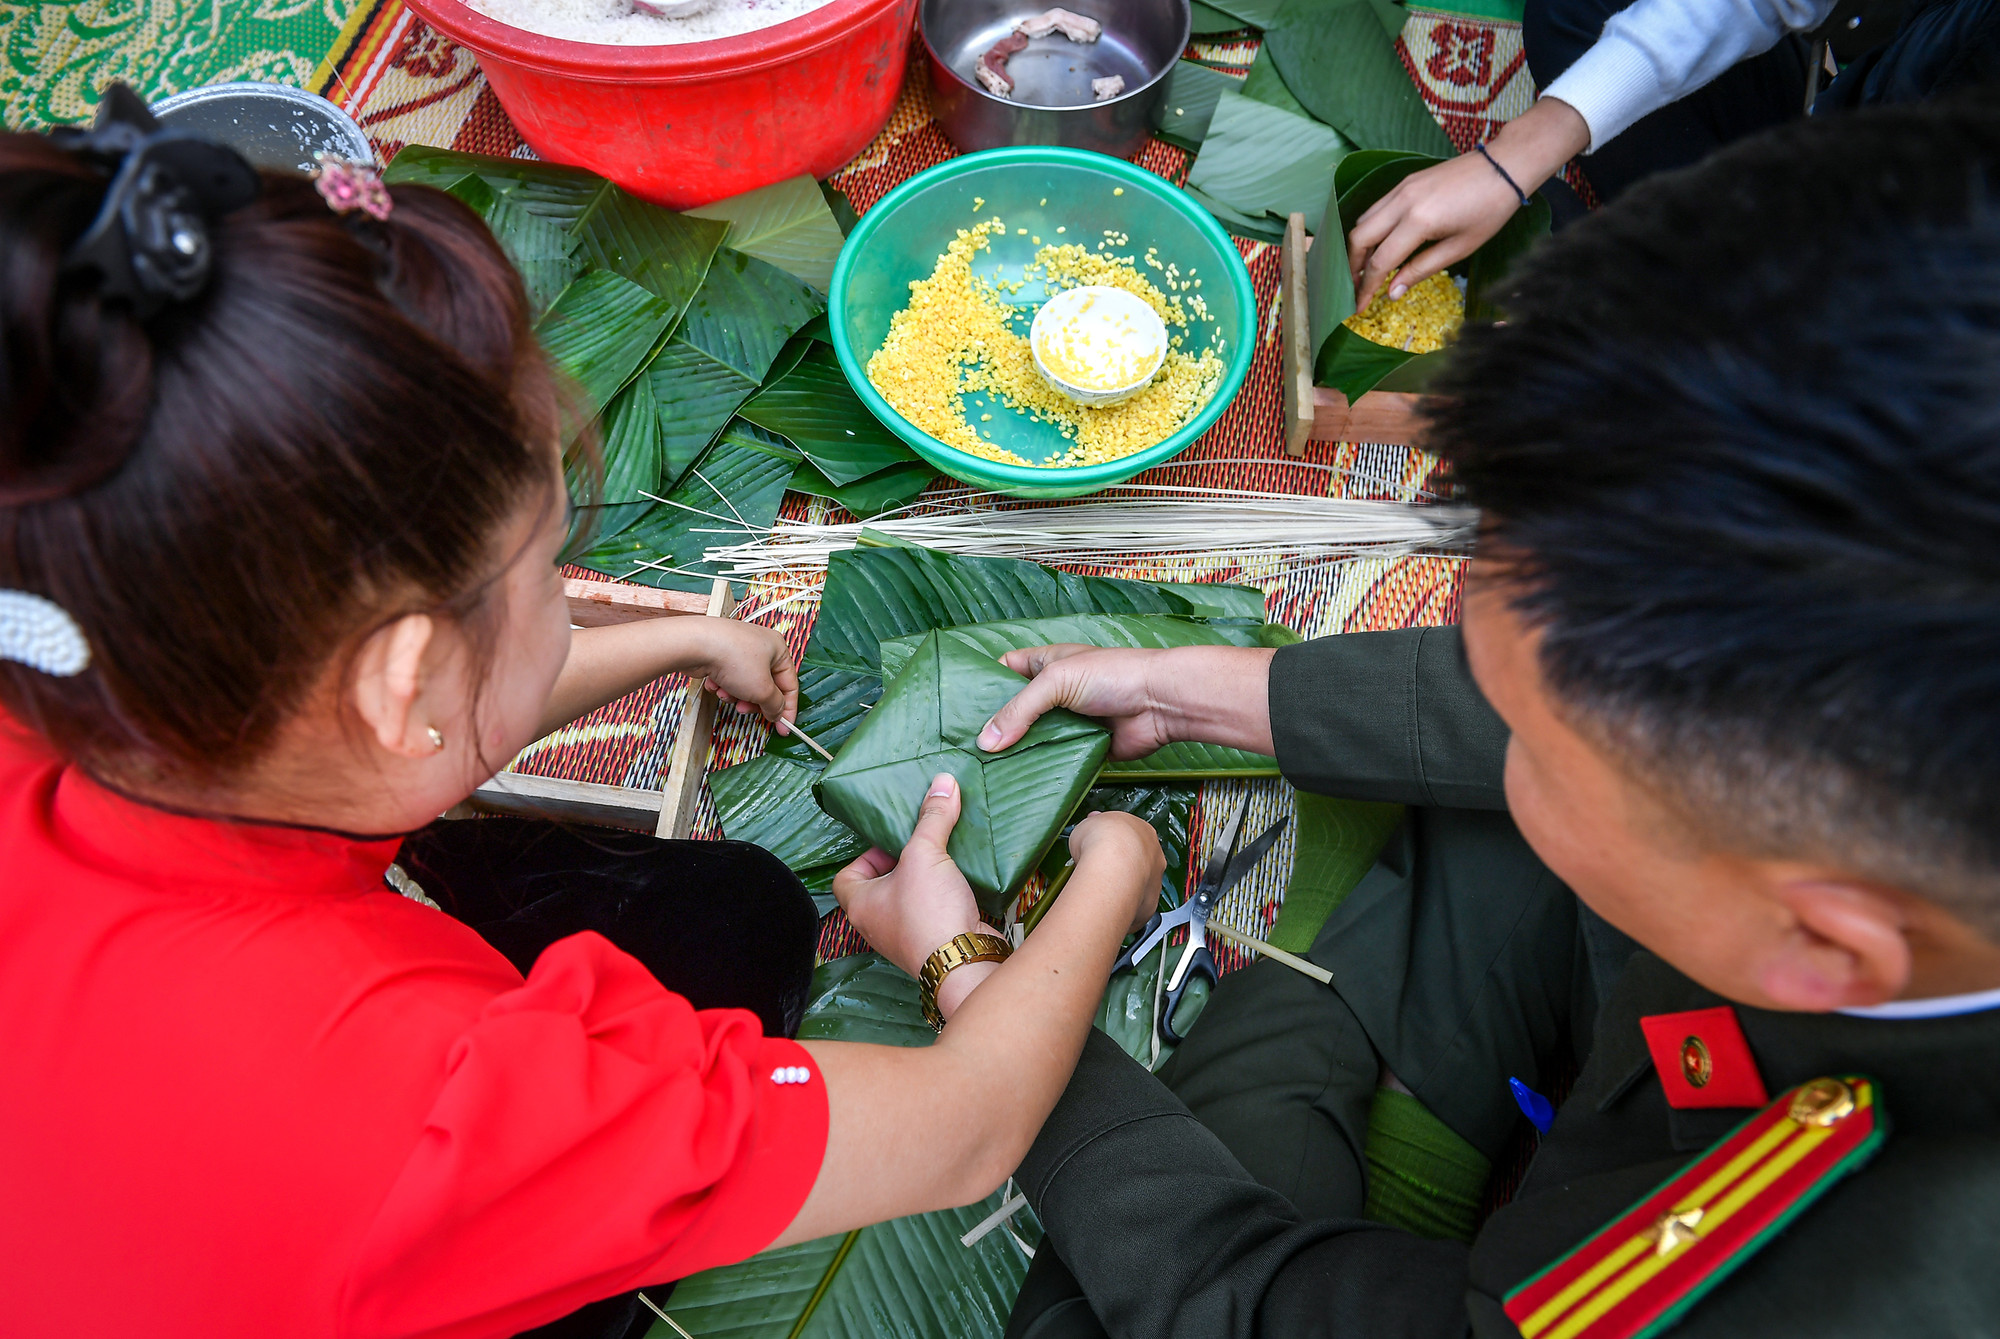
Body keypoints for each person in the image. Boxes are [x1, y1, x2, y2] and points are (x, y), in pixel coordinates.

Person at [0, 88, 1165, 1339]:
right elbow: (966, 1130)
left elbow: (413, 724)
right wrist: (1108, 867)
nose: (572, 594)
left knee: (724, 914)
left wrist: (685, 639)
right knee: (745, 925)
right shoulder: (433, 1109)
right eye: (553, 564)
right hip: (313, 1208)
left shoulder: (72, 645)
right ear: (398, 687)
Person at [990, 97, 2000, 1337]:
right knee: (1488, 823)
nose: (1493, 706)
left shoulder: (1828, 1276)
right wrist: (1188, 684)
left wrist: (1010, 1031)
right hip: (1668, 997)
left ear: (1824, 946)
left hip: (1585, 1229)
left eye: (1530, 728)